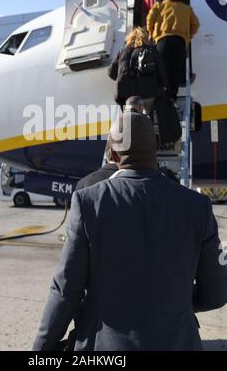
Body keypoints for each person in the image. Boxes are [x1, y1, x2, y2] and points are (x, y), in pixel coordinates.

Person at [32, 111, 227, 351]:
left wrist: (41, 349)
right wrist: (172, 303)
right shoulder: (198, 206)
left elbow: (66, 291)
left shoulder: (88, 202)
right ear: (156, 147)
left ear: (113, 154)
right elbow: (217, 292)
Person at [147, 0, 200, 100]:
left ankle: (161, 96)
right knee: (175, 69)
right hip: (180, 41)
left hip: (163, 40)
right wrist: (188, 36)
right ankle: (172, 97)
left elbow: (149, 19)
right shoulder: (187, 8)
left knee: (162, 68)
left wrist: (151, 33)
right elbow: (196, 24)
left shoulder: (160, 5)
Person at [108, 27, 167, 113]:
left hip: (127, 95)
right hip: (149, 93)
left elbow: (111, 73)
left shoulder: (122, 52)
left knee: (130, 121)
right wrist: (164, 86)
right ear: (145, 37)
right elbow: (161, 71)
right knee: (147, 118)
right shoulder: (152, 50)